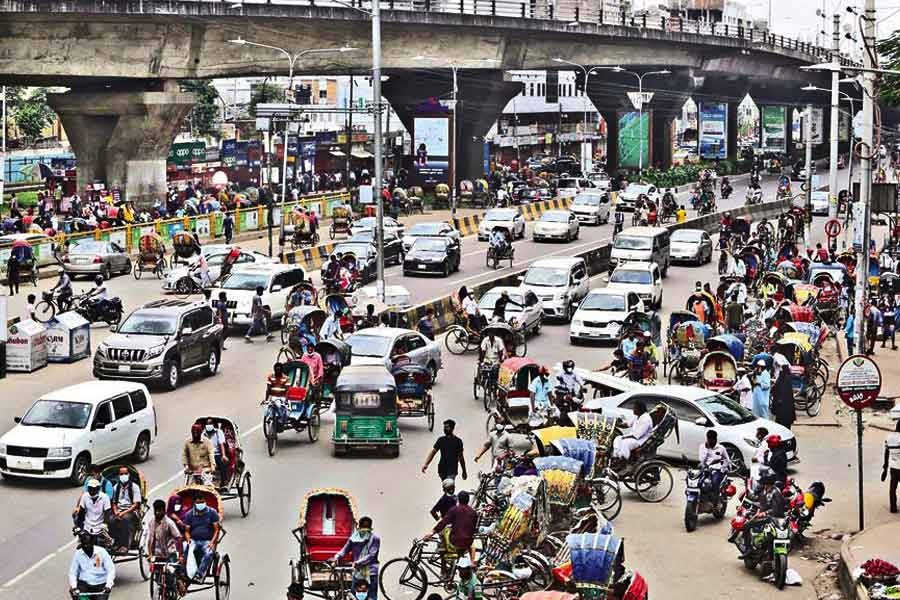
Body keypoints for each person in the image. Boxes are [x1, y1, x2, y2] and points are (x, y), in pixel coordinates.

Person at [332, 515, 380, 600]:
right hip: (357, 572)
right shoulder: (353, 538)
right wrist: (337, 557)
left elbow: (371, 556)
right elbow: (344, 550)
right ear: (359, 528)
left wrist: (358, 562)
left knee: (371, 596)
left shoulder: (374, 539)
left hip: (371, 572)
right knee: (354, 596)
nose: (364, 532)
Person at [428, 491, 478, 564]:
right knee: (472, 544)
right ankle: (472, 562)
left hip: (454, 541)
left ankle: (444, 566)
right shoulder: (473, 512)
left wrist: (432, 532)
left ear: (458, 500)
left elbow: (443, 523)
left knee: (442, 536)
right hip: (468, 542)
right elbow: (473, 528)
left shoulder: (454, 510)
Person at [146, 499, 183, 591]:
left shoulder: (169, 523)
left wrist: (181, 555)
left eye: (160, 510)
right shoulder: (151, 522)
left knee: (170, 576)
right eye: (156, 510)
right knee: (156, 576)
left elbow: (178, 538)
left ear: (164, 510)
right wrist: (150, 554)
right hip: (158, 554)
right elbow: (151, 540)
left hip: (170, 553)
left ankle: (176, 584)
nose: (158, 513)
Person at [183, 491, 220, 581]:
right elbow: (187, 531)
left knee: (209, 553)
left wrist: (212, 543)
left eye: (202, 502)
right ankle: (184, 572)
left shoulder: (212, 512)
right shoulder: (189, 514)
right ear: (195, 503)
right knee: (184, 550)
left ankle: (199, 574)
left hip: (207, 541)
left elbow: (216, 530)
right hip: (194, 540)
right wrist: (188, 540)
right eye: (198, 503)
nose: (201, 504)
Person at [69, 530, 115, 599]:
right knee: (80, 598)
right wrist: (74, 586)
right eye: (84, 545)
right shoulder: (78, 554)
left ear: (92, 543)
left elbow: (111, 570)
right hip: (84, 585)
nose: (86, 546)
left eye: (88, 544)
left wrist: (108, 586)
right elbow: (72, 572)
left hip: (100, 585)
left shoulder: (102, 552)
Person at [108, 466, 142, 554]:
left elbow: (136, 504)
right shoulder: (116, 487)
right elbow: (114, 503)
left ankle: (125, 545)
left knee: (125, 519)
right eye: (121, 474)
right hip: (119, 510)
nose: (123, 476)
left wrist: (123, 513)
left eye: (125, 474)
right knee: (111, 520)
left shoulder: (135, 487)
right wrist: (116, 512)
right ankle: (115, 543)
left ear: (129, 475)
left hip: (131, 511)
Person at [202, 419, 229, 491]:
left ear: (213, 425)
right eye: (207, 424)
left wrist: (223, 455)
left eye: (210, 423)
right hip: (206, 454)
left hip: (217, 453)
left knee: (222, 462)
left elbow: (221, 444)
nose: (208, 425)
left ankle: (224, 483)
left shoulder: (218, 432)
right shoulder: (203, 434)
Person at [771, 357, 796, 430]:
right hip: (787, 407)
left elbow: (779, 390)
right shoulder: (787, 379)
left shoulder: (782, 379)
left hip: (781, 406)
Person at [882, 420, 900, 513]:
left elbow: (886, 452)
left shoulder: (889, 437)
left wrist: (885, 468)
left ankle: (893, 508)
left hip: (893, 468)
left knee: (892, 489)